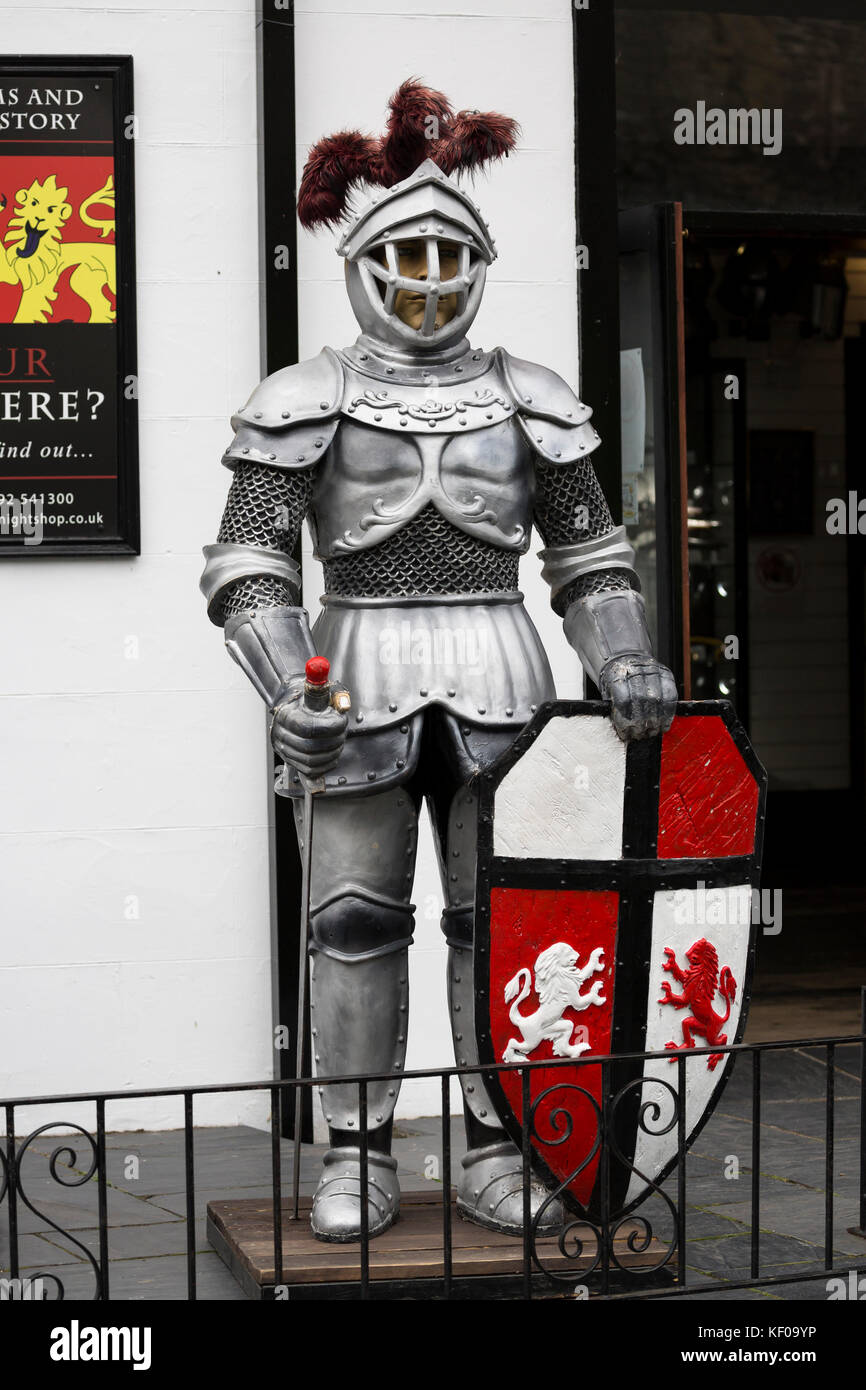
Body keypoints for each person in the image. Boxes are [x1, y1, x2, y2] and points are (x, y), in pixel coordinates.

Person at [200, 81, 677, 1242]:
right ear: (363, 262)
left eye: (442, 251)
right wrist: (281, 686)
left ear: (476, 262)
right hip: (351, 669)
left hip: (501, 672)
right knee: (352, 921)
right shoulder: (304, 395)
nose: (423, 272)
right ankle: (356, 1153)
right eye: (402, 250)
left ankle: (493, 1141)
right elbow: (247, 562)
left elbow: (590, 557)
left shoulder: (530, 397)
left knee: (496, 921)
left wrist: (622, 659)